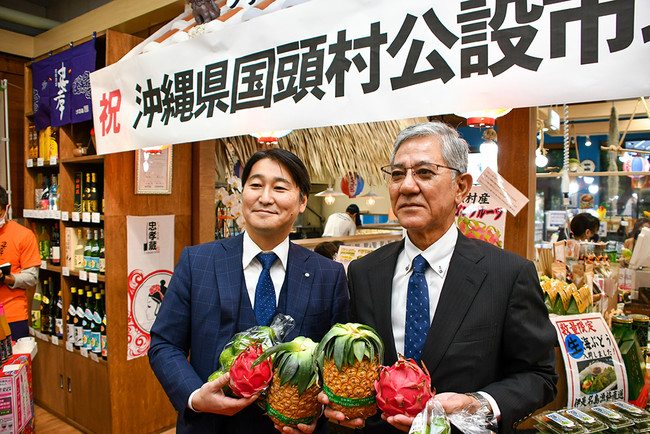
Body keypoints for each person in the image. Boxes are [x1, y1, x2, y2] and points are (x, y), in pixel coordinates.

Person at [322, 122, 558, 433]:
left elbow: (539, 375)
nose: (407, 186)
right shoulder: (364, 272)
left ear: (461, 186)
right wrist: (345, 403)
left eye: (424, 172)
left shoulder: (508, 274)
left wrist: (479, 404)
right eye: (397, 174)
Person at [148, 148, 349, 433]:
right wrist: (195, 396)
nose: (265, 197)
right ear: (243, 193)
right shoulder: (197, 262)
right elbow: (164, 343)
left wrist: (320, 409)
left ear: (302, 201)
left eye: (279, 187)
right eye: (255, 185)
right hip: (211, 426)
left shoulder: (328, 275)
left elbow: (334, 363)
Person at [0, 186, 41, 340]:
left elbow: (31, 277)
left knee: (14, 363)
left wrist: (6, 278)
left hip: (12, 316)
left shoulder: (23, 235)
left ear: (7, 208)